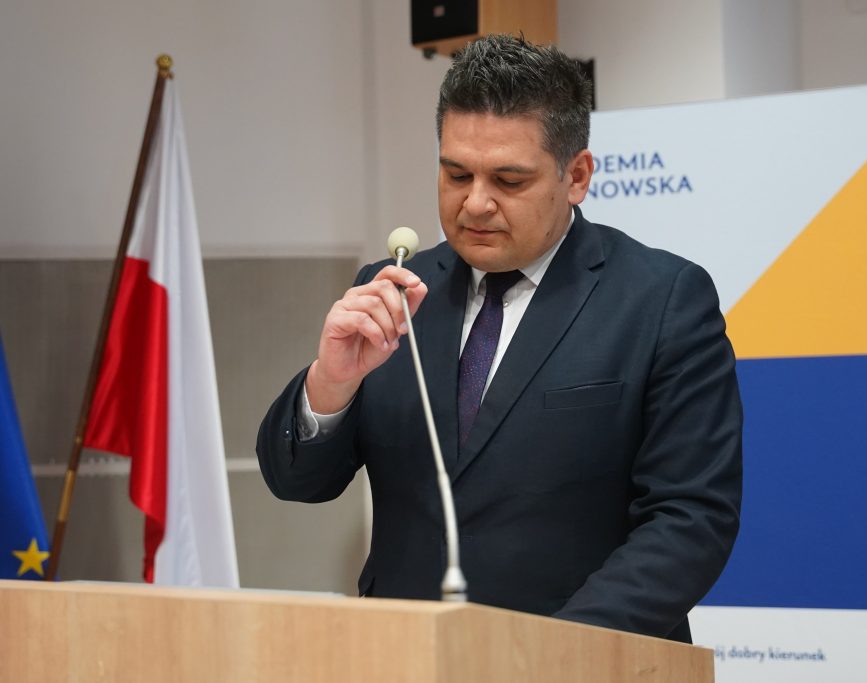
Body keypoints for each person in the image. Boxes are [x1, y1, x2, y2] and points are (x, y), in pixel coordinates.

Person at [256, 34, 742, 643]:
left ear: (577, 176)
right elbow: (298, 482)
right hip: (407, 653)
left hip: (581, 660)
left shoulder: (661, 299)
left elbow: (690, 518)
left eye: (509, 180)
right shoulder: (392, 292)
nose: (476, 203)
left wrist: (554, 653)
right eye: (456, 174)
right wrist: (331, 383)